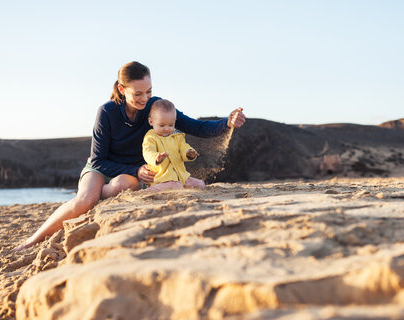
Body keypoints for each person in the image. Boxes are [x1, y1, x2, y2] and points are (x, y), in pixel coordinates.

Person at [15, 61, 245, 250]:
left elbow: (197, 127)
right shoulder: (107, 112)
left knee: (124, 184)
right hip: (101, 169)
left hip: (134, 175)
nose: (144, 98)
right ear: (123, 89)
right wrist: (134, 169)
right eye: (138, 93)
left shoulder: (156, 108)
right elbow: (98, 160)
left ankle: (104, 195)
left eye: (149, 91)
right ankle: (32, 239)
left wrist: (227, 122)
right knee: (84, 201)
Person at [142, 99, 204, 191]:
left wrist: (188, 153)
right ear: (151, 122)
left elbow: (184, 147)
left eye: (171, 125)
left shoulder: (177, 137)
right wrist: (156, 157)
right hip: (163, 178)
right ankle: (148, 191)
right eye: (162, 125)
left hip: (182, 176)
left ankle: (181, 184)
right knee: (175, 186)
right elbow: (147, 151)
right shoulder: (150, 137)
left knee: (200, 184)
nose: (167, 129)